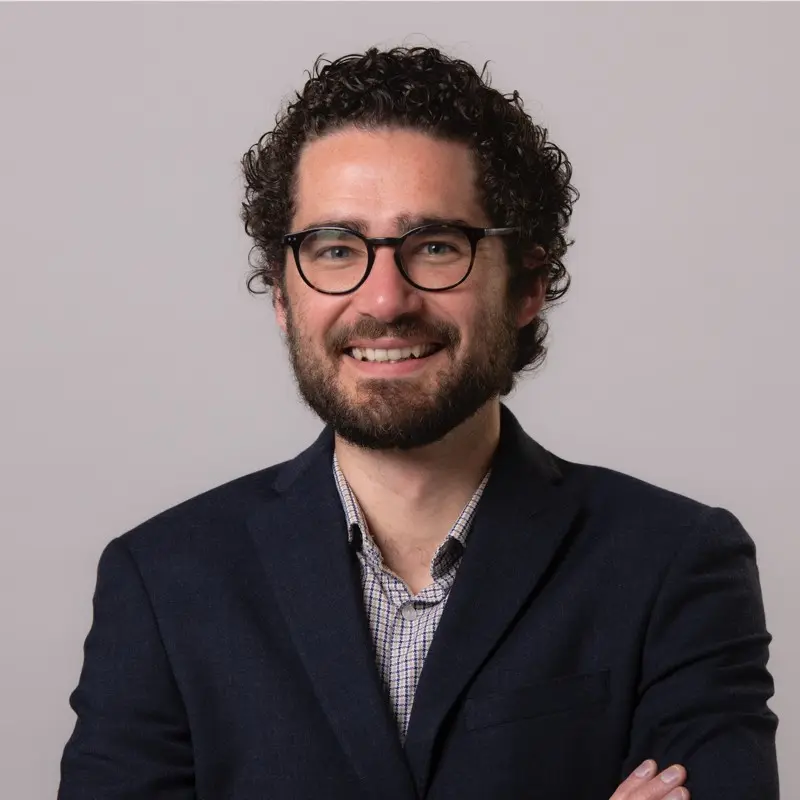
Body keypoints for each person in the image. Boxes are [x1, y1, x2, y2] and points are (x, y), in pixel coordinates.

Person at [58, 46, 779, 800]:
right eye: (335, 249)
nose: (383, 300)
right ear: (282, 296)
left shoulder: (675, 561)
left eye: (435, 247)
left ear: (527, 285)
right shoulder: (163, 580)